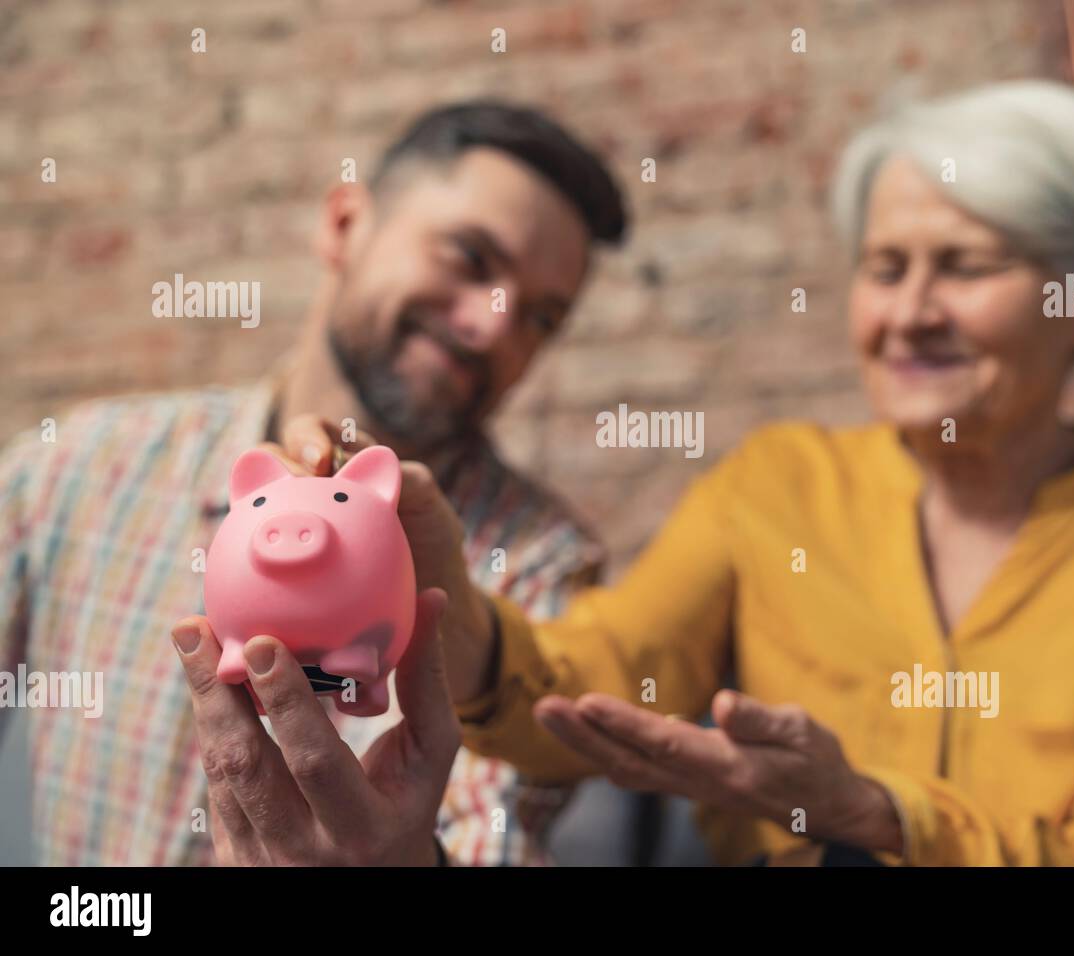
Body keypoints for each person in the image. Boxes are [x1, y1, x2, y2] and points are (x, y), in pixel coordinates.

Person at [286, 80, 1074, 866]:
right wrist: (460, 632)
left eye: (966, 267)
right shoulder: (777, 486)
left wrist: (876, 813)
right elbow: (612, 668)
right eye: (885, 269)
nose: (910, 312)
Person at [0, 100, 628, 865]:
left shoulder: (540, 569)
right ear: (344, 226)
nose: (492, 326)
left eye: (539, 317)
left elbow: (493, 838)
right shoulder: (77, 468)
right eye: (468, 259)